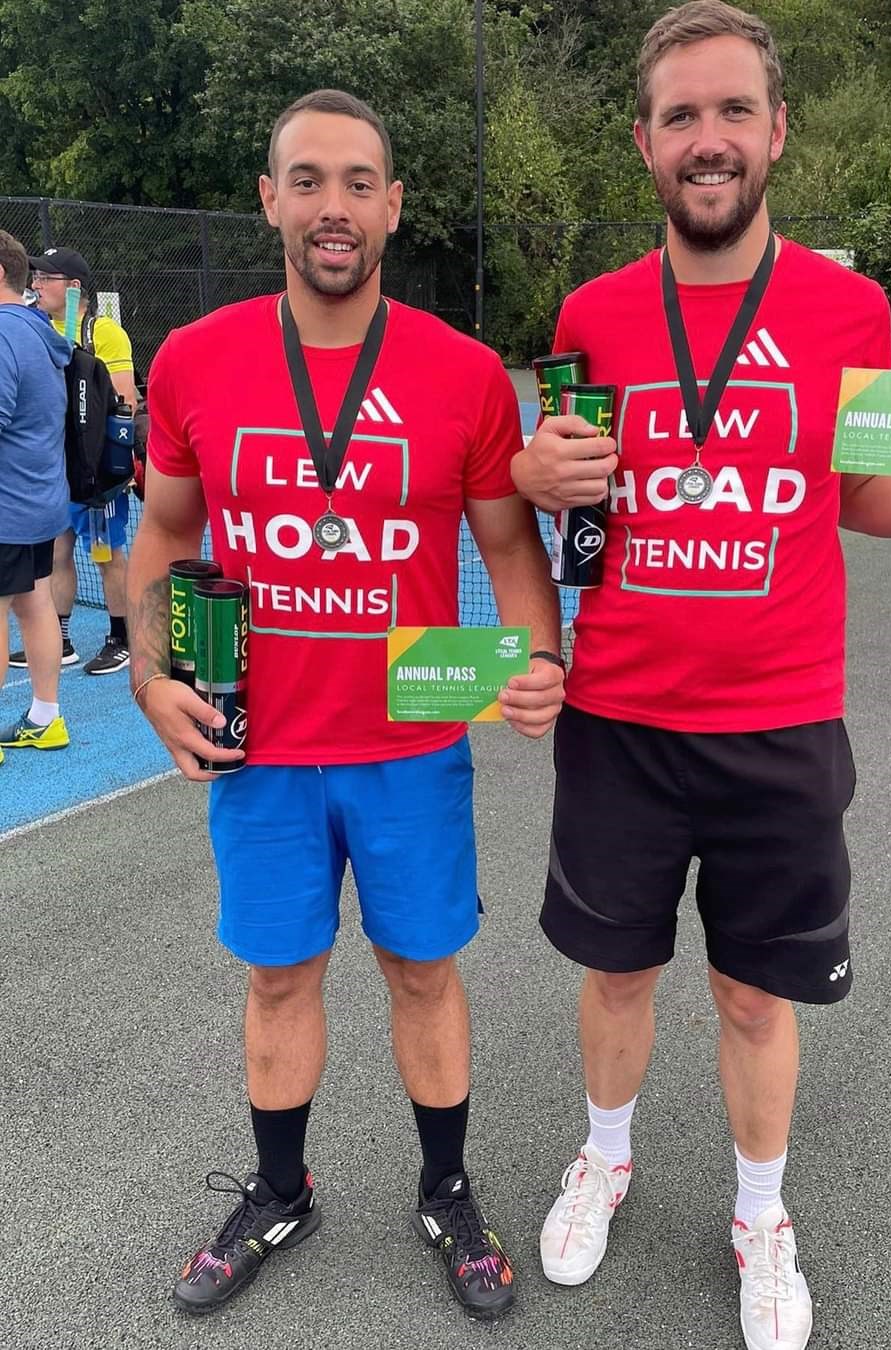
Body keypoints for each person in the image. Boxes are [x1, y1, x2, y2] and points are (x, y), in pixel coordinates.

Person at [510, 5, 891, 1349]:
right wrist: (537, 473)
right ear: (644, 144)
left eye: (732, 111)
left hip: (781, 719)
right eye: (681, 116)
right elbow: (572, 511)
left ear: (777, 130)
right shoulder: (591, 313)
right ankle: (608, 1157)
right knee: (618, 970)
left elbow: (858, 489)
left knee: (755, 990)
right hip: (622, 721)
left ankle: (762, 1214)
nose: (709, 139)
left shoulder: (848, 306)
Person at [127, 89, 564, 1321]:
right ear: (269, 198)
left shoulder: (466, 372)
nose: (333, 205)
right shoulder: (196, 359)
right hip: (257, 749)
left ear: (393, 206)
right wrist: (154, 676)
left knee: (423, 973)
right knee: (279, 980)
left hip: (410, 744)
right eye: (307, 179)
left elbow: (510, 543)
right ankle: (280, 1192)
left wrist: (537, 656)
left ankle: (446, 1190)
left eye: (359, 181)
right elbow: (161, 535)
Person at [8, 245, 138, 674]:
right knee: (58, 552)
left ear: (74, 287)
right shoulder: (37, 328)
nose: (37, 284)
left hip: (97, 473)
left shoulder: (103, 332)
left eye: (47, 278)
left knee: (105, 554)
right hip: (55, 469)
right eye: (37, 277)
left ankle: (120, 636)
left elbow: (124, 400)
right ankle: (61, 638)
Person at [0, 230, 72, 760]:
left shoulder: (3, 334)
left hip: (7, 505)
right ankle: (46, 719)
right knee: (34, 603)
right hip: (38, 498)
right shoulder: (38, 331)